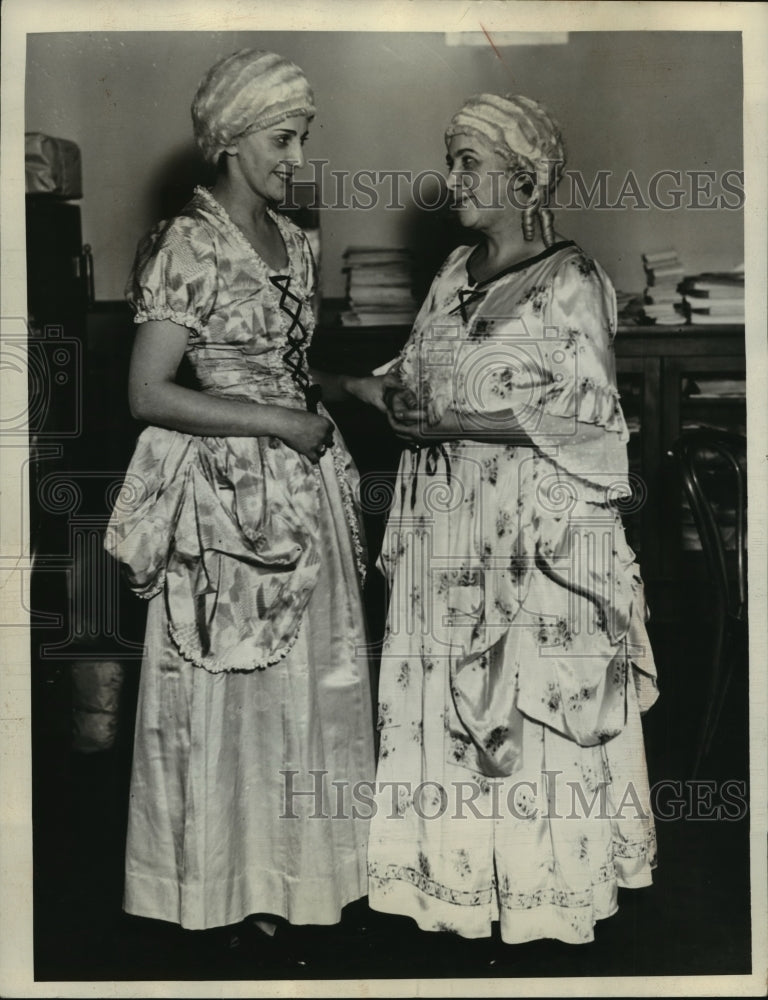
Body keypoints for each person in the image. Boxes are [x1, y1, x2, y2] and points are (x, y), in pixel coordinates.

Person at [104, 49, 385, 946]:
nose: (298, 157)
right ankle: (225, 890)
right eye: (282, 138)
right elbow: (148, 392)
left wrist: (346, 390)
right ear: (228, 137)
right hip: (226, 504)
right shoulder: (186, 241)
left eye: (303, 138)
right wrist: (275, 423)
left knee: (314, 690)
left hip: (306, 492)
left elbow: (286, 370)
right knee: (236, 696)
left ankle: (306, 880)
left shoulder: (296, 239)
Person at [367, 93, 659, 946]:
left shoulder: (570, 280)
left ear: (524, 176)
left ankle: (539, 898)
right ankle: (456, 890)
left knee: (527, 703)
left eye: (469, 161)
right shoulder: (454, 271)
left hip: (535, 538)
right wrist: (365, 392)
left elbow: (596, 425)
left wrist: (456, 422)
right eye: (450, 158)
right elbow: (417, 371)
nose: (451, 176)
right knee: (445, 703)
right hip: (445, 523)